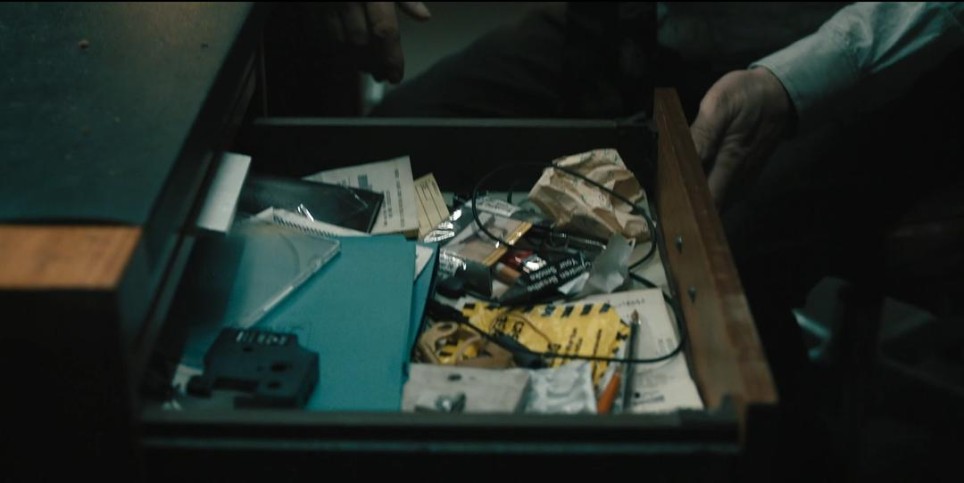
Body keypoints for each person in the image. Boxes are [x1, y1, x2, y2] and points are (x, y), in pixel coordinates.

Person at [366, 2, 964, 478]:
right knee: (399, 133)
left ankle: (791, 452)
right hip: (635, 25)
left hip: (846, 51)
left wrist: (789, 84)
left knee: (718, 254)